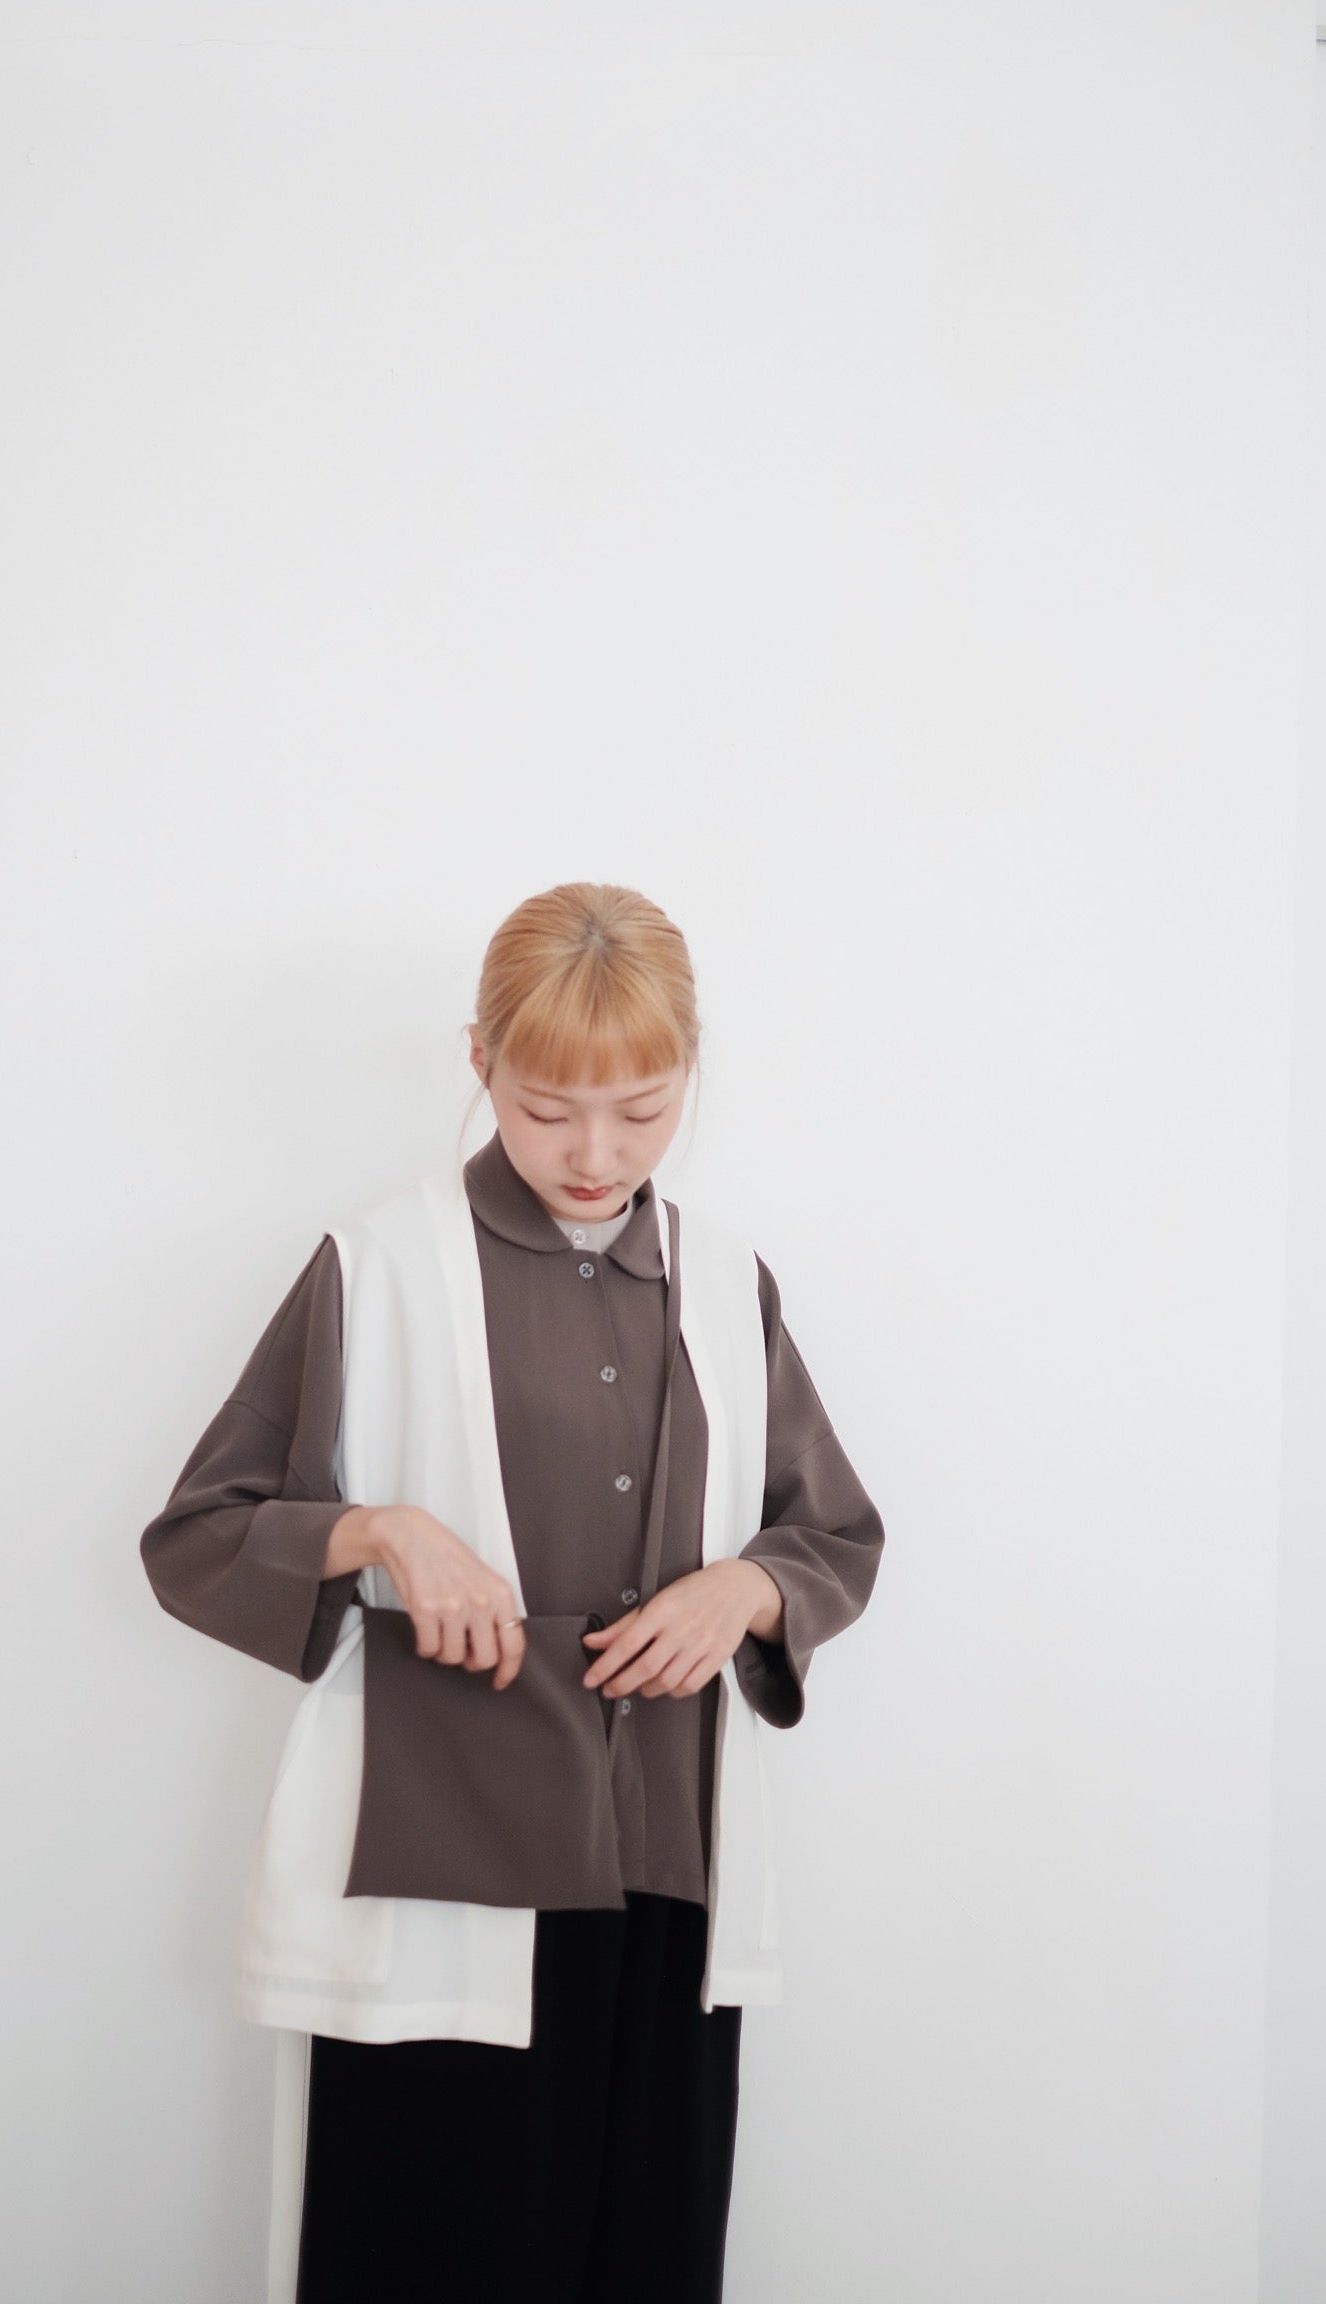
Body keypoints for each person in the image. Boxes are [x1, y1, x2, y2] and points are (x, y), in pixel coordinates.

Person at [140, 881, 885, 2304]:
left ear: (691, 1070)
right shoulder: (377, 1266)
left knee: (645, 2258)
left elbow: (832, 1534)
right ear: (479, 1061)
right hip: (446, 1857)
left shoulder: (728, 1284)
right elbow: (197, 1536)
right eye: (548, 1112)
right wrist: (376, 1533)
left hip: (669, 1861)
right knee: (427, 2253)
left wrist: (745, 1588)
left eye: (643, 1111)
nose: (596, 1155)